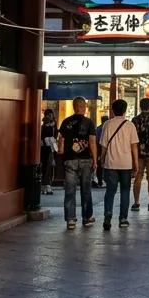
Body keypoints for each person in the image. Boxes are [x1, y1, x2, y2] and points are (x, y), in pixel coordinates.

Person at [99, 98, 140, 230]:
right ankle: (123, 219)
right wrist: (136, 164)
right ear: (125, 110)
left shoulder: (107, 125)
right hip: (126, 165)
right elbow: (134, 147)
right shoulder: (130, 126)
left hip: (111, 164)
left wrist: (102, 159)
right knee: (125, 191)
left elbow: (104, 146)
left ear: (112, 110)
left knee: (110, 191)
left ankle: (108, 215)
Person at [58, 96, 97, 230]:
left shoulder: (66, 122)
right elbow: (92, 141)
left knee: (70, 190)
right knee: (86, 189)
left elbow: (60, 139)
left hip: (70, 159)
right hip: (86, 159)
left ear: (74, 107)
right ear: (84, 106)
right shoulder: (89, 122)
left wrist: (61, 152)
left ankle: (70, 219)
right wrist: (95, 159)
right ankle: (86, 218)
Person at [40, 109, 57, 195]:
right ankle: (46, 185)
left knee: (47, 166)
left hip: (47, 148)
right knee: (47, 167)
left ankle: (45, 185)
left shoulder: (44, 126)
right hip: (48, 148)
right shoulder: (51, 126)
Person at [94, 114, 108, 187]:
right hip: (107, 148)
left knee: (100, 165)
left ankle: (100, 181)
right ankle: (107, 180)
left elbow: (96, 140)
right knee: (107, 165)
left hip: (99, 147)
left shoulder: (98, 128)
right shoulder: (109, 128)